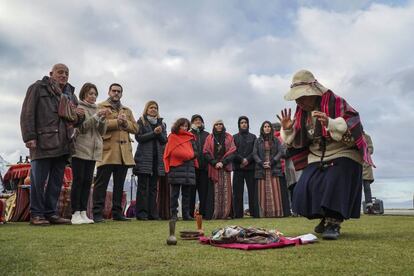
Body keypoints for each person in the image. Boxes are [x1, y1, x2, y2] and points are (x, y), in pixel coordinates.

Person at [279, 69, 373, 240]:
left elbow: (353, 123)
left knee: (334, 178)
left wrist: (331, 123)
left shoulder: (336, 102)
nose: (299, 101)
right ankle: (324, 216)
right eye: (297, 98)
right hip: (317, 154)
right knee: (304, 186)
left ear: (313, 92)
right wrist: (288, 129)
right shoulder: (301, 113)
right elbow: (295, 139)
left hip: (343, 151)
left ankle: (333, 222)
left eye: (302, 97)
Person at [20, 63, 84, 226]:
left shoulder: (70, 94)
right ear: (51, 73)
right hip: (42, 142)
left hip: (64, 144)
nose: (64, 75)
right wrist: (29, 137)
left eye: (67, 73)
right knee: (38, 181)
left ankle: (50, 213)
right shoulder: (37, 88)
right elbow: (27, 112)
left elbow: (75, 121)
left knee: (56, 182)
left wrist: (80, 115)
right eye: (60, 72)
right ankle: (36, 214)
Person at [92, 83, 138, 222]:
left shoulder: (127, 110)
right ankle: (97, 213)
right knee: (101, 184)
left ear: (122, 94)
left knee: (119, 184)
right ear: (109, 92)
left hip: (123, 153)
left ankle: (118, 213)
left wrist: (125, 124)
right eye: (114, 91)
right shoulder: (100, 107)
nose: (116, 93)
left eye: (119, 91)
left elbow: (136, 128)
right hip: (107, 151)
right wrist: (116, 122)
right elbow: (98, 125)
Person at [71, 83, 108, 224]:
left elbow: (102, 132)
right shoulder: (79, 108)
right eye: (90, 93)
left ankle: (83, 212)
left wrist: (103, 119)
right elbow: (82, 128)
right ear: (84, 94)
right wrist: (96, 117)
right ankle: (74, 212)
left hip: (94, 151)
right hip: (80, 149)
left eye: (95, 94)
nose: (93, 96)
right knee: (78, 181)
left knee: (87, 182)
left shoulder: (98, 109)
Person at [133, 101, 167, 220]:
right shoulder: (141, 121)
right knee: (142, 187)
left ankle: (153, 213)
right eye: (151, 107)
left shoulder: (162, 124)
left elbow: (164, 140)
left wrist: (159, 133)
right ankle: (142, 214)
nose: (153, 109)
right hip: (143, 159)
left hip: (157, 160)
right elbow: (139, 138)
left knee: (153, 188)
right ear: (146, 109)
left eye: (156, 108)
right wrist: (154, 133)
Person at [253, 121, 290, 217]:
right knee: (262, 191)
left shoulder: (276, 140)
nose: (267, 128)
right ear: (262, 128)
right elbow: (254, 154)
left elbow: (280, 152)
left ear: (271, 128)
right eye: (265, 126)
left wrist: (272, 161)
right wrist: (261, 163)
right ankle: (263, 213)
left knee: (275, 191)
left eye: (268, 126)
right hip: (262, 168)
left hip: (274, 168)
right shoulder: (257, 141)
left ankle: (276, 212)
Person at [163, 118, 198, 220]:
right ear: (178, 126)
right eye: (182, 126)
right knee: (174, 194)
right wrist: (184, 154)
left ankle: (186, 215)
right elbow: (170, 152)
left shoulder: (191, 138)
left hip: (188, 168)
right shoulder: (172, 137)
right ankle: (174, 214)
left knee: (186, 194)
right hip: (176, 168)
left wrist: (188, 155)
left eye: (186, 126)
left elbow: (196, 152)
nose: (184, 128)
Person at [203, 120, 236, 220]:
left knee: (226, 190)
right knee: (214, 191)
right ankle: (214, 213)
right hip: (214, 167)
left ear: (223, 125)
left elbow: (233, 152)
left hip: (225, 168)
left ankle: (226, 213)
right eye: (216, 124)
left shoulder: (229, 137)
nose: (219, 126)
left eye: (220, 124)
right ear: (214, 126)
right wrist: (214, 162)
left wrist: (223, 162)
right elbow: (206, 152)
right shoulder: (209, 138)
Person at [232, 116, 258, 218]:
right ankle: (238, 214)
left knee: (252, 192)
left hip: (250, 168)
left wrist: (247, 160)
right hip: (238, 168)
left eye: (245, 122)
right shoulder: (234, 137)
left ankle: (254, 213)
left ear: (248, 124)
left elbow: (255, 151)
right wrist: (241, 160)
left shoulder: (253, 137)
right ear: (239, 125)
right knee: (237, 192)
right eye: (242, 123)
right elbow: (233, 151)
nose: (244, 124)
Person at [189, 114, 209, 217]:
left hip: (204, 169)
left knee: (203, 192)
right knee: (191, 193)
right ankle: (189, 214)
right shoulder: (188, 134)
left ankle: (203, 213)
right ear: (192, 122)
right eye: (195, 120)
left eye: (199, 120)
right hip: (192, 168)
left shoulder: (207, 135)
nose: (198, 121)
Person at [362, 132, 375, 214]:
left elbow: (371, 148)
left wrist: (365, 152)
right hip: (356, 165)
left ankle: (369, 206)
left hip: (366, 166)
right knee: (355, 189)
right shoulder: (352, 136)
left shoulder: (367, 137)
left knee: (367, 188)